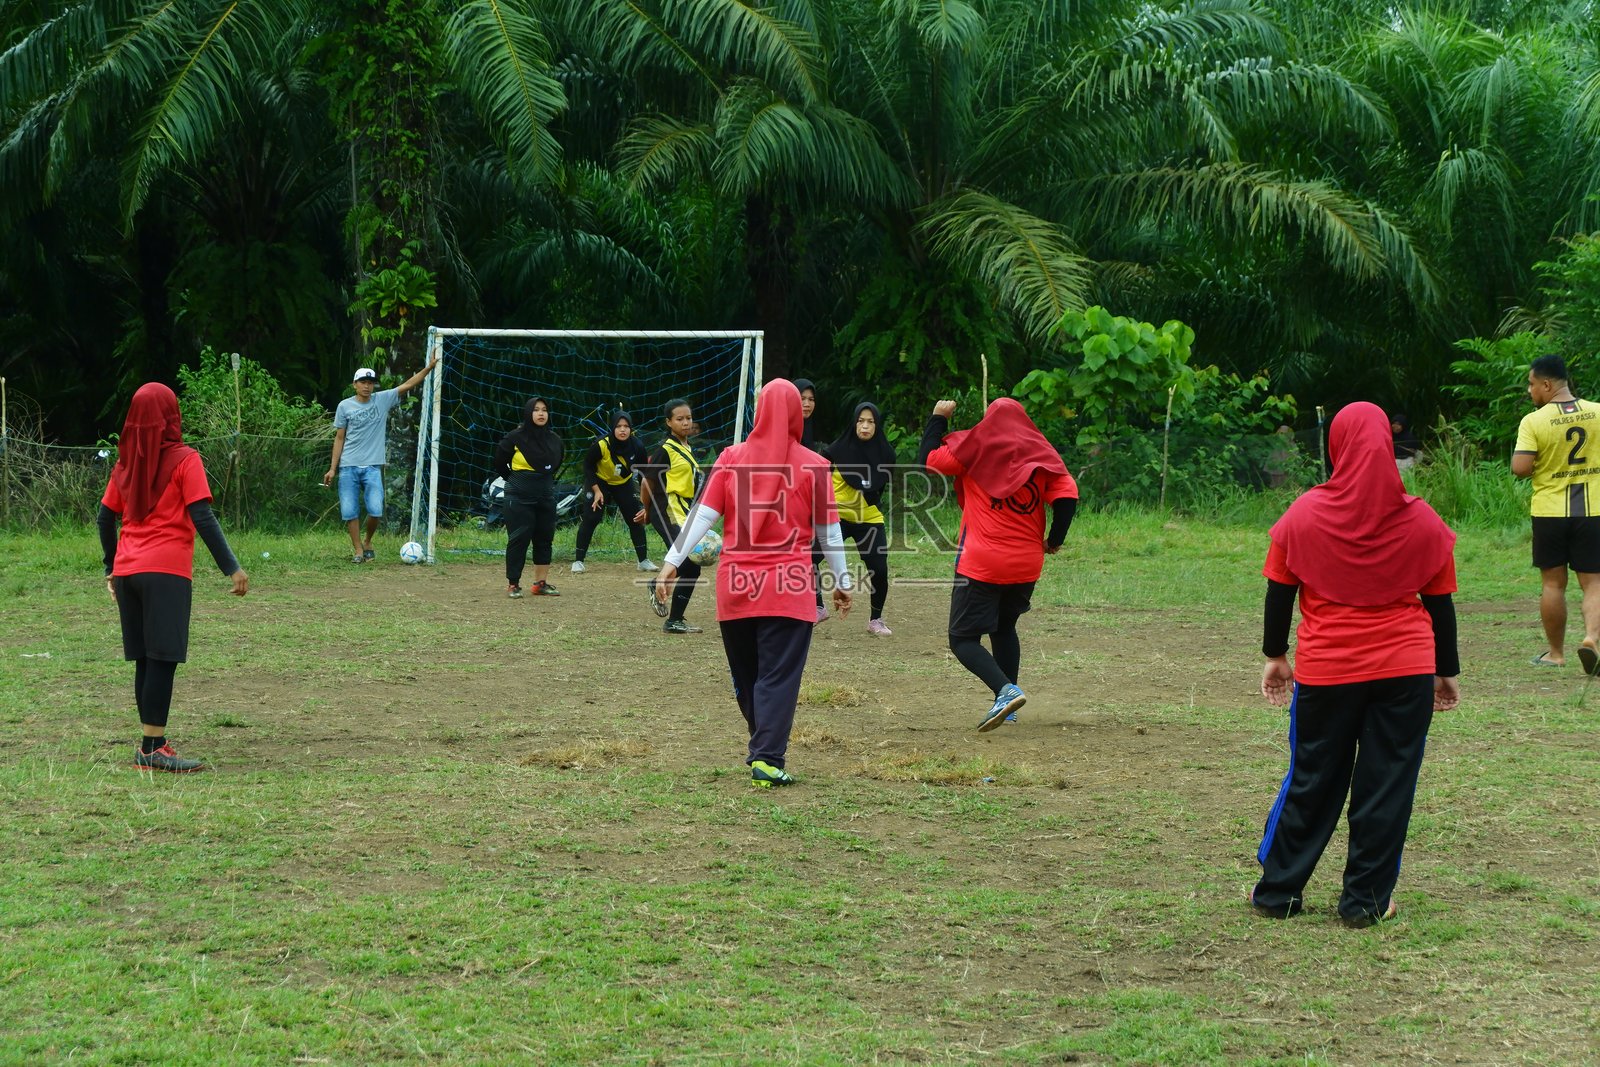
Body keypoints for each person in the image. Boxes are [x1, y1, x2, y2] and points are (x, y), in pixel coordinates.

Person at [1254, 401, 1460, 928]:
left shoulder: (1303, 515)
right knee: (1386, 782)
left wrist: (1276, 656)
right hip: (1405, 669)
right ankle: (1365, 902)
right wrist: (1445, 668)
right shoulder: (1422, 520)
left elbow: (1280, 592)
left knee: (1313, 777)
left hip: (1328, 671)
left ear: (1337, 446)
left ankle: (1278, 893)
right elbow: (1439, 603)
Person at [654, 379, 852, 787]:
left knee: (749, 676)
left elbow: (703, 517)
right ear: (798, 413)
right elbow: (829, 532)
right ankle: (766, 755)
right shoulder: (815, 465)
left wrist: (671, 561)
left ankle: (761, 743)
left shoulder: (730, 457)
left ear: (758, 411)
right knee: (778, 677)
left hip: (736, 587)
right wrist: (842, 581)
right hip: (790, 587)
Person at [97, 383, 249, 773]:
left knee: (145, 659)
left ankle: (150, 743)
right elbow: (202, 516)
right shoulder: (185, 459)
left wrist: (112, 567)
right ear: (171, 417)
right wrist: (232, 567)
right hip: (165, 572)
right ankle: (153, 747)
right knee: (162, 659)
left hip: (129, 572)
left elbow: (104, 517)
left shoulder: (125, 465)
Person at [920, 397, 1078, 730]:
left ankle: (1005, 692)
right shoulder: (1042, 456)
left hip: (983, 563)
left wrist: (938, 419)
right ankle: (1010, 704)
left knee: (962, 639)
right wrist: (1055, 539)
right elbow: (1067, 496)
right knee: (1004, 627)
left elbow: (930, 461)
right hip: (1026, 564)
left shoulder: (974, 450)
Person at [1512, 355, 1600, 673]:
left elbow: (1520, 468)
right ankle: (1591, 638)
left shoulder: (1533, 421)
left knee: (1553, 584)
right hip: (1593, 510)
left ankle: (1556, 654)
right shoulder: (1598, 412)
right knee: (1593, 584)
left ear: (1547, 384)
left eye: (1532, 383)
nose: (1530, 390)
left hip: (1550, 512)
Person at [323, 359, 438, 562]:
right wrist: (333, 468)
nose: (367, 386)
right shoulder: (345, 406)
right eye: (363, 382)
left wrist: (428, 368)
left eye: (371, 382)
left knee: (375, 510)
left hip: (373, 467)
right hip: (348, 465)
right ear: (355, 384)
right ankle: (358, 550)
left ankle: (367, 540)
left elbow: (408, 385)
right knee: (350, 511)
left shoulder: (382, 399)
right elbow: (339, 437)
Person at [822, 401, 896, 635]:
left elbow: (878, 487)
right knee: (807, 559)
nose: (865, 426)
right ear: (854, 423)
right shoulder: (833, 451)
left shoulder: (886, 454)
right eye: (861, 421)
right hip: (836, 517)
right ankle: (817, 607)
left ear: (877, 425)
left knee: (879, 569)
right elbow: (816, 482)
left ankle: (876, 620)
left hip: (868, 519)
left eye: (870, 422)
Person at [639, 398, 705, 633]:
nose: (686, 423)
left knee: (691, 566)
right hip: (667, 514)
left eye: (688, 418)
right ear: (669, 422)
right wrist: (647, 511)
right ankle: (673, 619)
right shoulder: (665, 450)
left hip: (682, 514)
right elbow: (647, 482)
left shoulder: (687, 448)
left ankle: (674, 617)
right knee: (690, 565)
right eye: (680, 419)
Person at [570, 411, 657, 574]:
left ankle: (643, 560)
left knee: (636, 519)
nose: (622, 430)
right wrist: (596, 490)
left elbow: (643, 474)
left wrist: (646, 501)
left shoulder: (637, 446)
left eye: (626, 426)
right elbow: (587, 466)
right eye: (618, 426)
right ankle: (578, 561)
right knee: (591, 518)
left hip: (623, 484)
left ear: (631, 429)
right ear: (612, 428)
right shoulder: (601, 444)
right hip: (599, 482)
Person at [494, 397, 562, 598]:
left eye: (544, 410)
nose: (541, 413)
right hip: (519, 496)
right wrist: (517, 482)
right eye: (536, 410)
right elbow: (499, 463)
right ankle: (513, 584)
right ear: (528, 413)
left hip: (545, 495)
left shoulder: (555, 440)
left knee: (544, 538)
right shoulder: (514, 438)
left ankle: (540, 583)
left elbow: (555, 466)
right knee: (519, 538)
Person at [792, 378, 827, 620]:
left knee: (811, 552)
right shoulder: (784, 429)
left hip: (805, 500)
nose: (807, 404)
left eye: (811, 399)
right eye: (802, 398)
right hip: (786, 503)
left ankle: (816, 605)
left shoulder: (808, 429)